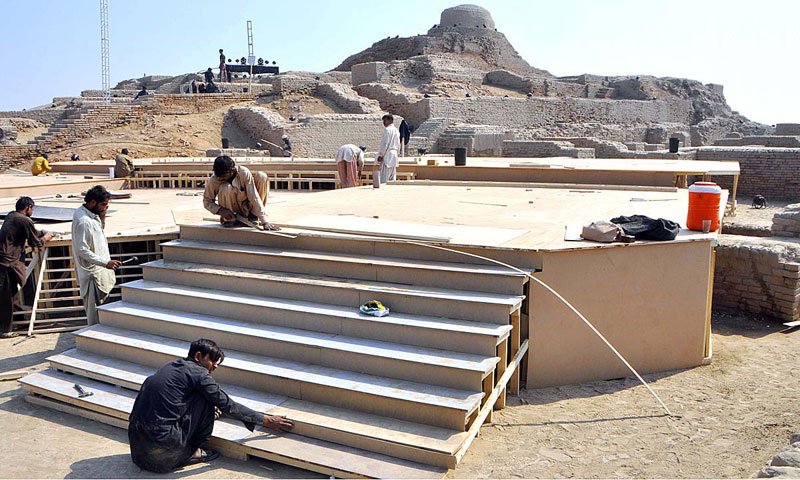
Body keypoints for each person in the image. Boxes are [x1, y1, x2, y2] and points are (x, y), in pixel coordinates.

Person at [128, 339, 294, 473]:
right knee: (209, 397)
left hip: (138, 453)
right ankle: (194, 451)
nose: (215, 365)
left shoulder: (170, 366)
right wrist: (266, 420)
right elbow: (228, 405)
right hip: (164, 455)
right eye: (213, 360)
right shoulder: (198, 374)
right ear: (199, 356)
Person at [0, 197, 54, 338]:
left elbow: (31, 233)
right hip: (8, 264)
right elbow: (36, 242)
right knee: (7, 298)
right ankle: (5, 330)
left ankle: (18, 321)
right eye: (32, 209)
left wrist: (40, 232)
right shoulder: (24, 220)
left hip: (6, 262)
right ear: (28, 207)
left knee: (12, 295)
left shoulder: (11, 216)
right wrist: (47, 236)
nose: (32, 211)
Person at [71, 186, 119, 325]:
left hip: (101, 273)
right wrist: (105, 263)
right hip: (93, 276)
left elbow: (97, 234)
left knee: (103, 313)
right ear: (92, 202)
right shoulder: (84, 221)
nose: (106, 207)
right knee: (95, 317)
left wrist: (102, 218)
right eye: (103, 204)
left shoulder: (90, 214)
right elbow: (82, 250)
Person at [203, 156, 279, 231]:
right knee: (225, 187)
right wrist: (221, 210)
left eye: (223, 175)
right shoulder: (215, 179)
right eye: (219, 176)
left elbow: (253, 196)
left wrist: (265, 221)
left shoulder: (243, 173)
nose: (220, 178)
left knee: (261, 176)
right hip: (231, 213)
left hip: (247, 208)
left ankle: (253, 216)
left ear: (232, 170)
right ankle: (230, 220)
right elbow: (207, 201)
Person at [376, 114, 400, 183]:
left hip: (387, 154)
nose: (384, 123)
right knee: (392, 176)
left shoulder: (387, 130)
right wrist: (397, 153)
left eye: (385, 121)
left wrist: (381, 155)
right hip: (394, 154)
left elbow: (385, 144)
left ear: (390, 120)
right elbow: (398, 144)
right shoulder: (396, 130)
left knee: (384, 177)